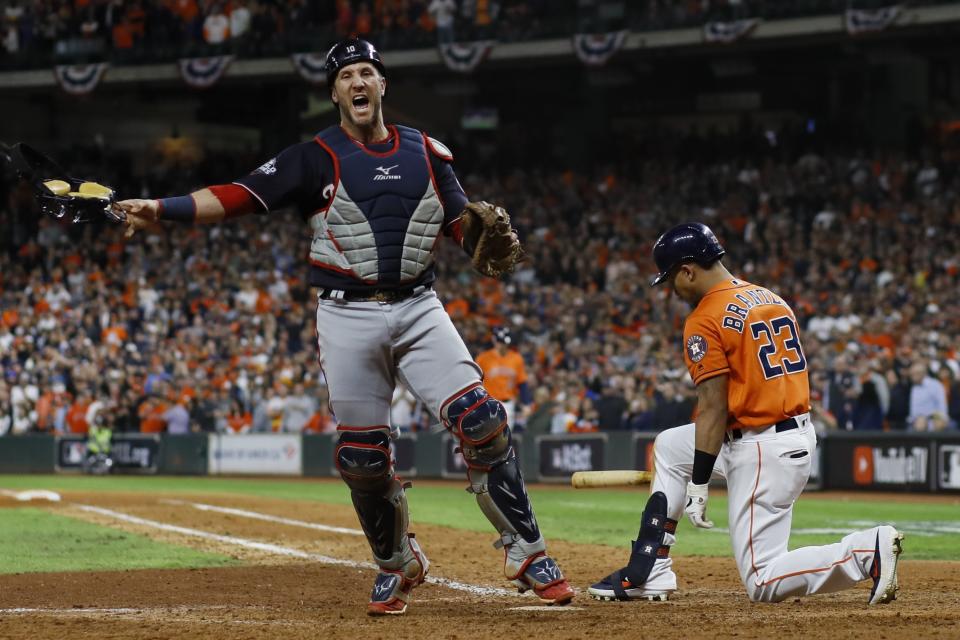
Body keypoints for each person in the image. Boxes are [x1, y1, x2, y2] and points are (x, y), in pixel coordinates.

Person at [117, 37, 573, 616]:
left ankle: (527, 551)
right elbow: (238, 195)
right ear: (334, 91)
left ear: (382, 84)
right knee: (362, 456)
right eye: (346, 75)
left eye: (366, 72)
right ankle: (396, 564)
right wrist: (162, 207)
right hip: (344, 312)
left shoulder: (429, 152)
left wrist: (474, 236)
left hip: (418, 307)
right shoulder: (312, 156)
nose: (357, 82)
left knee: (482, 421)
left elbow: (460, 221)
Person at [589, 222, 903, 606]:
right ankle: (651, 567)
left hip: (762, 449)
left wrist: (699, 483)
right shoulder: (769, 297)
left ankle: (865, 551)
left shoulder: (704, 318)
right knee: (670, 448)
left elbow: (713, 407)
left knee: (763, 580)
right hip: (789, 433)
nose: (673, 290)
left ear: (688, 270)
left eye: (672, 279)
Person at [474, 326, 530, 429]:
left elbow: (522, 382)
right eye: (500, 341)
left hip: (507, 404)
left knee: (506, 438)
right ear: (494, 340)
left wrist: (526, 403)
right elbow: (475, 382)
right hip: (487, 404)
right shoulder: (483, 358)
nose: (502, 344)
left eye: (504, 342)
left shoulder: (516, 358)